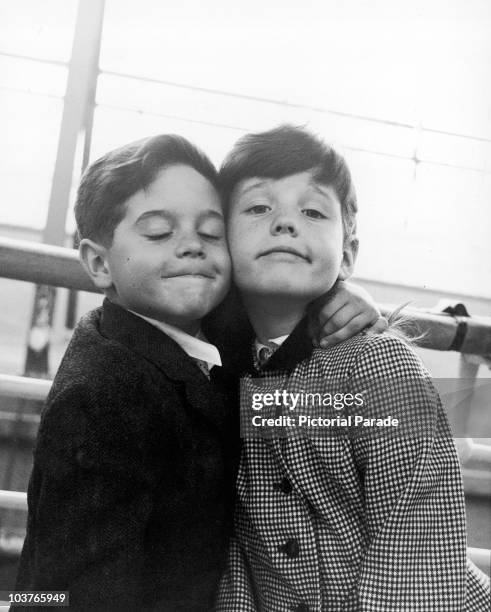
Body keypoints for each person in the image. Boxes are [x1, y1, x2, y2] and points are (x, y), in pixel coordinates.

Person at [14, 133, 380, 611]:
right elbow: (70, 590)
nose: (191, 247)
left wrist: (339, 294)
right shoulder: (101, 397)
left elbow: (279, 301)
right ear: (99, 263)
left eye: (211, 233)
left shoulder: (202, 333)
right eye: (159, 233)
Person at [216, 125, 491, 611]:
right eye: (258, 207)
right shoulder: (215, 364)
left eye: (313, 211)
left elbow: (416, 536)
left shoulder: (377, 364)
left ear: (347, 254)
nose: (285, 223)